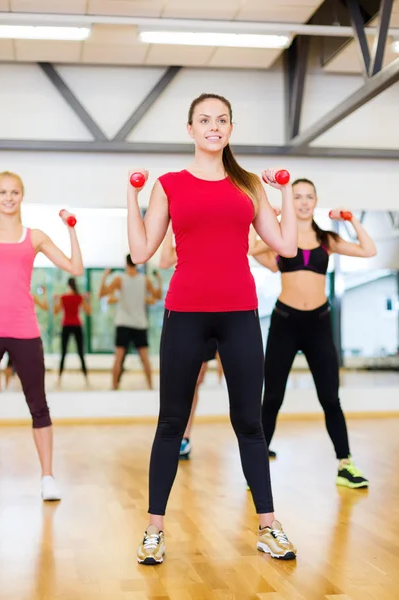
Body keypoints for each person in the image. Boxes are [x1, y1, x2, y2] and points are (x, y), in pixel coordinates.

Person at [127, 93, 298, 565]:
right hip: (185, 314)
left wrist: (284, 192)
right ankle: (154, 530)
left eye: (221, 119)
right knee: (170, 423)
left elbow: (284, 244)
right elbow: (141, 252)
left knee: (250, 423)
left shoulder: (247, 186)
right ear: (190, 129)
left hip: (240, 314)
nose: (213, 127)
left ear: (230, 128)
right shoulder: (169, 185)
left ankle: (268, 526)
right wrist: (131, 197)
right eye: (204, 120)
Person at [251, 178, 376, 489]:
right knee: (273, 397)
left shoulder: (327, 239)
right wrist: (277, 218)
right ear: (290, 202)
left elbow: (368, 250)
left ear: (315, 201)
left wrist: (351, 219)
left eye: (309, 197)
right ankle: (257, 462)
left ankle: (345, 464)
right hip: (285, 323)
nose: (304, 202)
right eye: (297, 197)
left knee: (330, 398)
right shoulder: (280, 238)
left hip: (319, 324)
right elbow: (253, 247)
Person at [0, 171, 84, 497]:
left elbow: (75, 269)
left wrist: (72, 229)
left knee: (38, 405)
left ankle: (47, 478)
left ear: (21, 196)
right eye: (2, 192)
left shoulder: (34, 236)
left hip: (25, 331)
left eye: (14, 192)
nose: (8, 198)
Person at [159, 222, 224, 460]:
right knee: (181, 381)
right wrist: (168, 229)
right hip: (186, 315)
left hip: (216, 316)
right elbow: (164, 261)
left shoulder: (220, 245)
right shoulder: (185, 246)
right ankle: (175, 433)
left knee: (196, 381)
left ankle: (185, 436)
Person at [99, 255, 162, 390]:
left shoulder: (119, 279)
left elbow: (102, 293)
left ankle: (113, 387)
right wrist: (159, 280)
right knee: (145, 359)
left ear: (126, 264)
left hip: (124, 323)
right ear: (137, 264)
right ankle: (151, 387)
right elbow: (157, 296)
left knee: (118, 358)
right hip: (140, 323)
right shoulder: (144, 280)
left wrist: (104, 276)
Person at [54, 277, 91, 387]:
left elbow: (55, 312)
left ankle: (59, 380)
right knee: (81, 353)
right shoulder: (79, 297)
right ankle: (86, 380)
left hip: (66, 326)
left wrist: (55, 300)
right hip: (76, 326)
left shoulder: (64, 297)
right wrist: (88, 299)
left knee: (63, 353)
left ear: (67, 285)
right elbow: (89, 311)